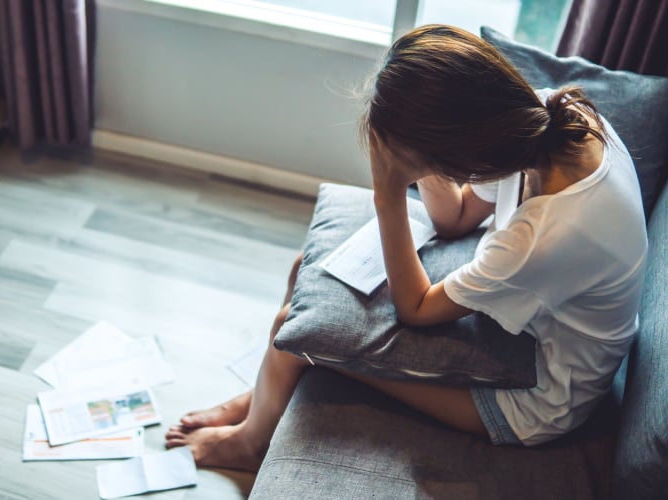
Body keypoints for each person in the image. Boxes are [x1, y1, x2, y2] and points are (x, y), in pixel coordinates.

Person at [164, 24, 647, 469]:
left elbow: (414, 308)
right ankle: (261, 394)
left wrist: (389, 190)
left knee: (291, 333)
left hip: (537, 396)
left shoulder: (544, 234)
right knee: (304, 270)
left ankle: (251, 441)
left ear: (460, 154)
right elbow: (455, 219)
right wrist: (420, 156)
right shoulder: (544, 119)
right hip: (526, 317)